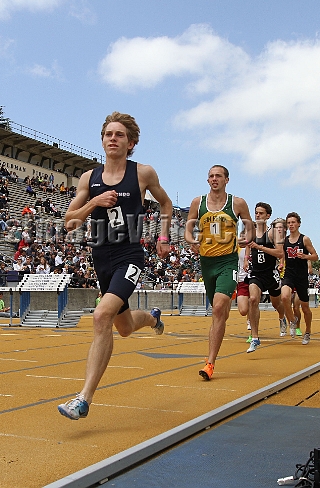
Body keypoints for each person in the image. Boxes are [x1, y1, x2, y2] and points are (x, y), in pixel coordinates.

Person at [57, 112, 172, 420]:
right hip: (101, 258)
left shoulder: (142, 173)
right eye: (108, 134)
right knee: (122, 328)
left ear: (130, 142)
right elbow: (69, 223)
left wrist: (163, 236)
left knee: (101, 316)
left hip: (129, 255)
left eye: (119, 135)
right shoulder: (88, 178)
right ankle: (152, 318)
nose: (113, 138)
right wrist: (95, 202)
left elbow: (166, 203)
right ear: (102, 139)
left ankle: (83, 399)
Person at [185, 165, 252, 380]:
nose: (214, 179)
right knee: (218, 312)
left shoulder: (238, 203)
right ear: (208, 180)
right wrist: (191, 240)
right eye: (211, 176)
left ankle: (210, 362)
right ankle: (220, 325)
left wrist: (245, 237)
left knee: (219, 307)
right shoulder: (198, 202)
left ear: (227, 180)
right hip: (207, 262)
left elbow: (250, 227)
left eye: (218, 176)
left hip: (228, 261)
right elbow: (188, 229)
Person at [245, 207, 286, 353]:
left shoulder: (273, 233)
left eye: (261, 213)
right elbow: (247, 245)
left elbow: (280, 253)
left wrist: (260, 247)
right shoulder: (252, 231)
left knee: (277, 303)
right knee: (253, 299)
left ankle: (282, 317)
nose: (257, 215)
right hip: (256, 273)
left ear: (268, 216)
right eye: (256, 212)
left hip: (270, 273)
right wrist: (245, 258)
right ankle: (255, 337)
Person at [280, 212, 319, 345]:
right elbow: (282, 256)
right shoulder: (284, 240)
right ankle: (292, 321)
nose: (291, 225)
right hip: (289, 274)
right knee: (284, 296)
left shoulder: (304, 239)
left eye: (293, 222)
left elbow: (315, 256)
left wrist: (305, 256)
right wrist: (280, 264)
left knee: (305, 308)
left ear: (298, 224)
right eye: (289, 223)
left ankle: (307, 331)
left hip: (302, 277)